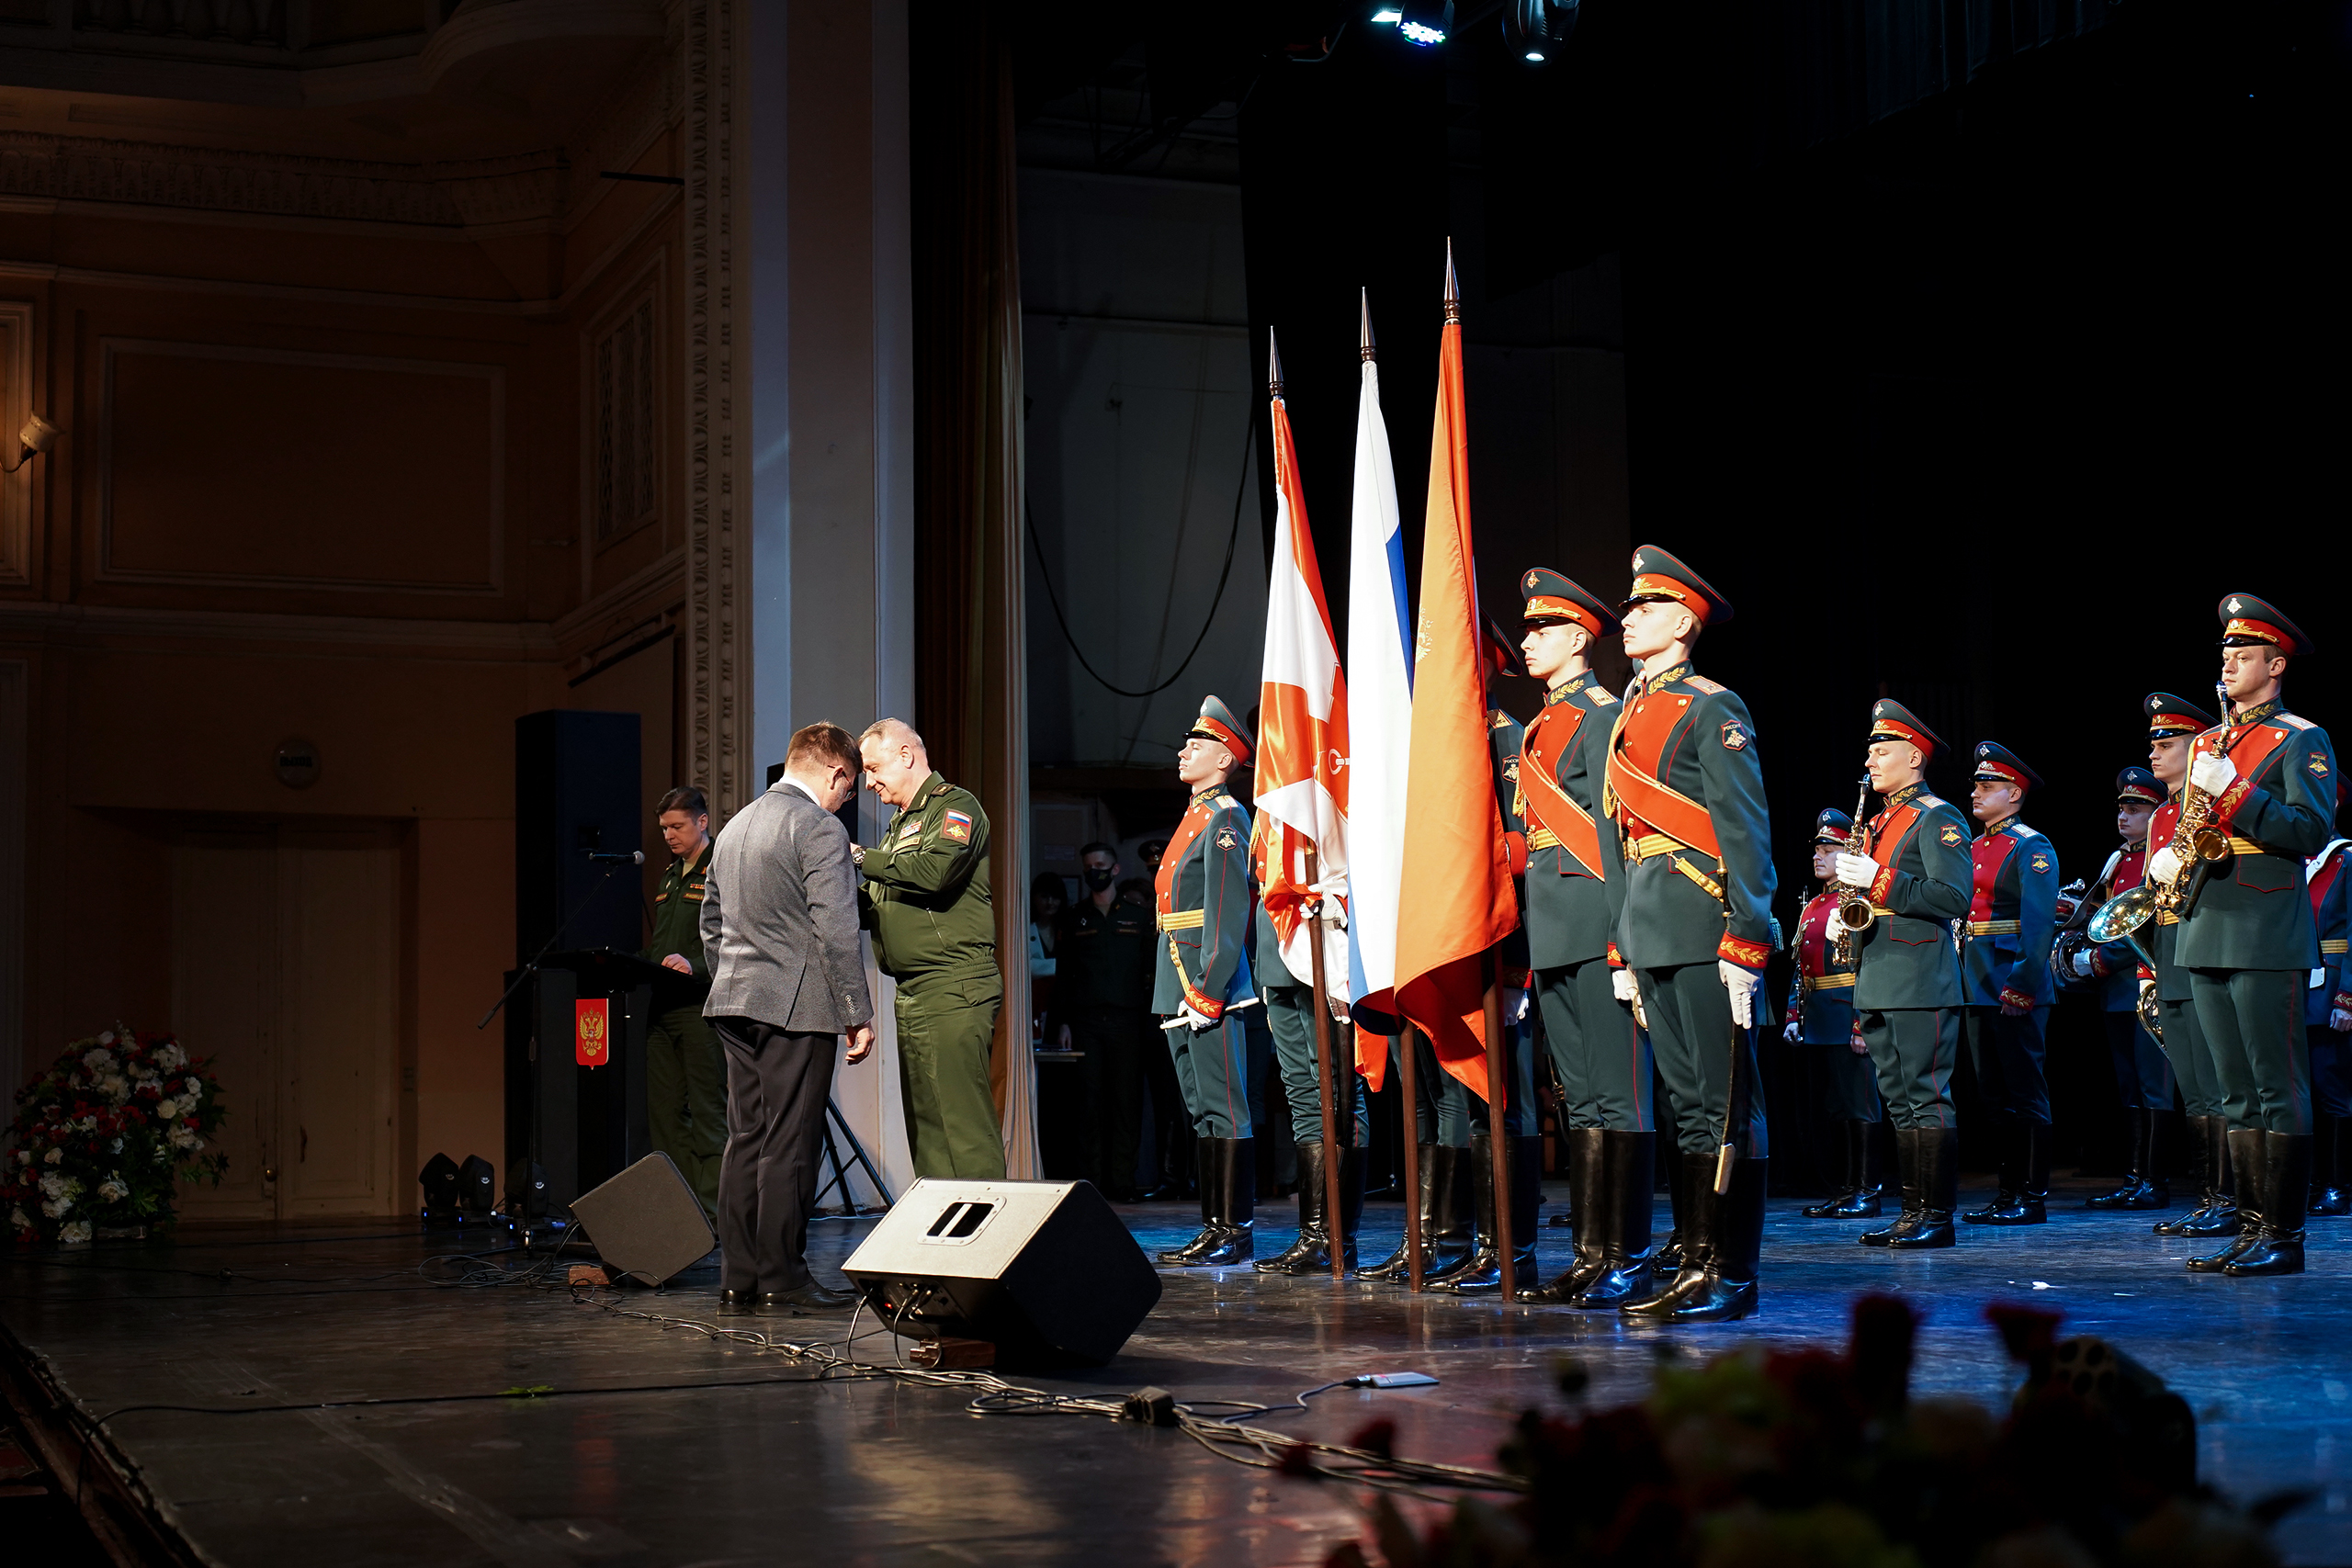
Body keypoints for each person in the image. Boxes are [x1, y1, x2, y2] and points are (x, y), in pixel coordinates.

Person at [1606, 546, 1775, 1324]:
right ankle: (1696, 1259)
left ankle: (1730, 1274)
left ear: (1682, 620)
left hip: (1707, 925)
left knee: (1727, 1102)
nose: (1628, 618)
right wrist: (1622, 946)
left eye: (1644, 607)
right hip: (1652, 928)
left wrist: (1747, 931)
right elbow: (1619, 839)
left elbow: (1743, 830)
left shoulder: (1713, 706)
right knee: (1688, 1106)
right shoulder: (1633, 708)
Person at [2165, 594, 2338, 1276]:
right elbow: (2194, 826)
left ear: (2275, 664)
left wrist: (2237, 792)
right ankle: (2250, 1226)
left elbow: (2307, 831)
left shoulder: (2302, 737)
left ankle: (2285, 1238)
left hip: (2266, 926)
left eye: (2245, 654)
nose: (2230, 661)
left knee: (2277, 1083)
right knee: (2233, 1088)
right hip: (2205, 922)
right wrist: (2171, 857)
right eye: (2226, 653)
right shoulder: (2208, 741)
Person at [1505, 570, 1653, 1310]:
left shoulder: (1601, 714)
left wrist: (1624, 935)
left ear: (1577, 638)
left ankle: (1629, 1255)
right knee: (1582, 1101)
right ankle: (1591, 1254)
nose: (1528, 640)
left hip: (1596, 921)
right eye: (1527, 630)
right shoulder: (1537, 727)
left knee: (1620, 1097)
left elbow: (1617, 835)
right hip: (1550, 927)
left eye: (1540, 630)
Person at [699, 723, 876, 1315]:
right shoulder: (819, 826)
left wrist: (734, 977)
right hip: (796, 1007)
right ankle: (782, 1279)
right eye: (847, 790)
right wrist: (856, 1011)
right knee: (789, 1145)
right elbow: (835, 928)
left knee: (745, 1139)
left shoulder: (734, 826)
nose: (843, 802)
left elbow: (711, 924)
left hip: (733, 1001)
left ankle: (738, 1277)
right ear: (835, 773)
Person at [1830, 702, 1973, 1249]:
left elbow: (1953, 897)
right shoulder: (1880, 819)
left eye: (1882, 750)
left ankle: (1935, 1217)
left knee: (1927, 1094)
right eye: (1870, 749)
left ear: (1914, 758)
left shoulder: (1937, 816)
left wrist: (1879, 878)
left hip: (1919, 975)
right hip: (1878, 972)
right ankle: (1914, 1211)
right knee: (1898, 1099)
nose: (1871, 759)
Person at [855, 717, 1007, 1182]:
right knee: (927, 1129)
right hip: (915, 992)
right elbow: (885, 902)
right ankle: (945, 1235)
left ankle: (990, 1239)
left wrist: (859, 857)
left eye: (874, 767)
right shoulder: (901, 825)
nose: (869, 782)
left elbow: (935, 871)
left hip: (954, 984)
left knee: (963, 1125)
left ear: (906, 754)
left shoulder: (956, 807)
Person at [1153, 697, 1260, 1267]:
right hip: (1176, 971)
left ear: (1224, 758)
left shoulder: (1226, 818)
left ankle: (1235, 1229)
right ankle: (1214, 1225)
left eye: (1195, 745)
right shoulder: (1197, 813)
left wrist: (1210, 986)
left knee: (1226, 1105)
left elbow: (1228, 907)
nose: (1182, 751)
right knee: (1201, 1107)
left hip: (1204, 974)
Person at [2139, 693, 2240, 1242]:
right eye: (2153, 742)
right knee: (2194, 1090)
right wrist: (2149, 965)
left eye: (2168, 743)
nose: (2156, 752)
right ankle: (2209, 1198)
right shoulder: (2160, 815)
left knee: (2222, 1086)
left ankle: (2231, 1199)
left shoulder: (2210, 806)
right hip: (2169, 951)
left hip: (2205, 945)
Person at [1956, 741, 2060, 1227]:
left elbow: (2039, 925)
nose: (1976, 792)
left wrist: (2021, 985)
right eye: (1976, 782)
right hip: (1976, 980)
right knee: (1992, 1094)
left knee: (2025, 1090)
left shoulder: (2031, 846)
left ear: (2014, 793)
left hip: (2013, 979)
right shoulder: (1973, 847)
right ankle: (2006, 1191)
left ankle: (2031, 1196)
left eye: (1987, 784)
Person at [2065, 768, 2175, 1211]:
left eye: (2136, 809)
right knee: (2129, 1087)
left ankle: (2156, 1181)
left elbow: (2145, 926)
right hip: (2115, 991)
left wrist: (2101, 960)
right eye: (2122, 808)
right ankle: (2135, 1178)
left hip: (2147, 982)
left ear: (2157, 813)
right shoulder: (2120, 860)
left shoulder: (2161, 856)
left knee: (2155, 1086)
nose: (2124, 816)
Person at [1786, 808, 1883, 1222]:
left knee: (1861, 1105)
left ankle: (1868, 1189)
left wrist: (1863, 1023)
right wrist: (1794, 1014)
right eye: (1818, 848)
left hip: (1847, 1015)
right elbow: (1799, 963)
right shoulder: (1814, 904)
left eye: (1831, 848)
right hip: (1820, 1018)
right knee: (1838, 1107)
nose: (1820, 854)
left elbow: (1867, 964)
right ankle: (1847, 1187)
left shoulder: (1856, 902)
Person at [1055, 843, 1156, 1201]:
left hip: (1127, 1021)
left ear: (1114, 870)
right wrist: (1063, 1022)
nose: (1093, 871)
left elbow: (1150, 971)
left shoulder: (1137, 916)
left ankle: (1123, 1183)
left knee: (1126, 1104)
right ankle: (1091, 1184)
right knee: (1088, 1105)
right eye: (1088, 866)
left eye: (1100, 865)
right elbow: (1064, 974)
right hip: (1085, 1022)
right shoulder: (1074, 917)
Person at [642, 786, 725, 1221]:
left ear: (702, 821)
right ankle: (678, 1215)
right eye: (664, 829)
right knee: (667, 1117)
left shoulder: (721, 869)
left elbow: (733, 942)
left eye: (677, 826)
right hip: (662, 1010)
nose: (669, 836)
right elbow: (661, 945)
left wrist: (694, 965)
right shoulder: (670, 876)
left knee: (708, 1114)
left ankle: (712, 1214)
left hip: (700, 1008)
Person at [2304, 834, 2351, 1217]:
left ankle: (2337, 1185)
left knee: (2331, 1087)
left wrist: (2347, 996)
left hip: (2330, 986)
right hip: (2292, 989)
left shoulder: (2345, 859)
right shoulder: (2288, 857)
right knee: (2302, 1091)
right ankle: (2314, 1181)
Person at [1028, 871, 1065, 1040]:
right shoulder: (1023, 928)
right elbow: (1025, 967)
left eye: (1055, 897)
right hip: (1031, 1004)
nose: (1050, 903)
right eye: (1044, 897)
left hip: (1061, 1005)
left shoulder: (1068, 928)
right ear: (1034, 898)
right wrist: (1063, 966)